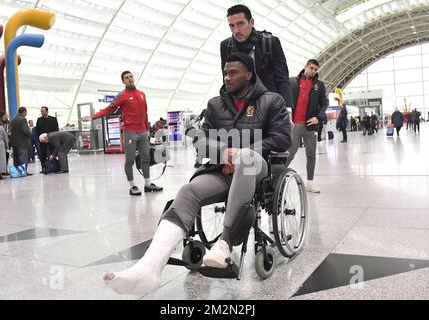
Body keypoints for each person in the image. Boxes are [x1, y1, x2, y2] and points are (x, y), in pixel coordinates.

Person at [102, 53, 292, 295]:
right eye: (225, 72)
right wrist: (224, 153)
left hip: (258, 169)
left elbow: (282, 137)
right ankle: (149, 267)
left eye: (233, 72)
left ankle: (223, 244)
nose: (227, 77)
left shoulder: (271, 101)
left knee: (245, 158)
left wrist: (241, 153)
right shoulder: (215, 104)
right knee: (188, 192)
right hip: (221, 169)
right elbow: (200, 139)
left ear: (249, 74)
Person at [93, 70, 163, 196]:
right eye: (126, 77)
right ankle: (132, 186)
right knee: (130, 160)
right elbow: (109, 109)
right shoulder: (122, 95)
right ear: (123, 81)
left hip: (142, 132)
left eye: (131, 76)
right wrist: (93, 116)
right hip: (130, 132)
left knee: (146, 158)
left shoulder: (142, 94)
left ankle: (148, 184)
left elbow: (145, 112)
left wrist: (147, 129)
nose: (130, 79)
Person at [220, 4, 292, 108]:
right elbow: (226, 79)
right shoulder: (226, 46)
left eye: (240, 24)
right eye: (232, 26)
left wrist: (287, 108)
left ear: (251, 22)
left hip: (268, 106)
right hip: (239, 107)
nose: (236, 31)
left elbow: (282, 78)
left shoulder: (269, 42)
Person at [285, 59, 328, 193]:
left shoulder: (319, 86)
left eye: (316, 69)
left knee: (311, 155)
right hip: (295, 125)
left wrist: (318, 118)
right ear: (305, 67)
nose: (313, 71)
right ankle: (277, 178)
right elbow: (284, 99)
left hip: (310, 125)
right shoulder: (292, 82)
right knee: (290, 153)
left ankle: (310, 183)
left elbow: (324, 103)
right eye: (311, 68)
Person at [36, 106, 59, 173]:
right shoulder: (39, 119)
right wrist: (39, 139)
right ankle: (44, 167)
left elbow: (56, 129)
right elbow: (37, 130)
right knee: (43, 154)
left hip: (52, 139)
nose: (42, 112)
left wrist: (52, 138)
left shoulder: (53, 119)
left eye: (43, 111)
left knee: (53, 153)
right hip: (42, 140)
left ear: (47, 111)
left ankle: (55, 166)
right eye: (41, 111)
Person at [10, 107, 32, 175]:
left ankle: (17, 172)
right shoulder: (22, 119)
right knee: (23, 158)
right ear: (24, 112)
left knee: (16, 158)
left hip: (14, 142)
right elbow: (25, 131)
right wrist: (30, 133)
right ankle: (23, 172)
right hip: (22, 142)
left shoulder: (13, 119)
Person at [0, 110, 11, 175]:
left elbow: (10, 129)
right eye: (6, 114)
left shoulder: (8, 122)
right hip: (0, 142)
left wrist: (10, 132)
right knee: (0, 157)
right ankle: (0, 171)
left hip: (7, 141)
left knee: (6, 156)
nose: (8, 115)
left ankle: (4, 170)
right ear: (3, 115)